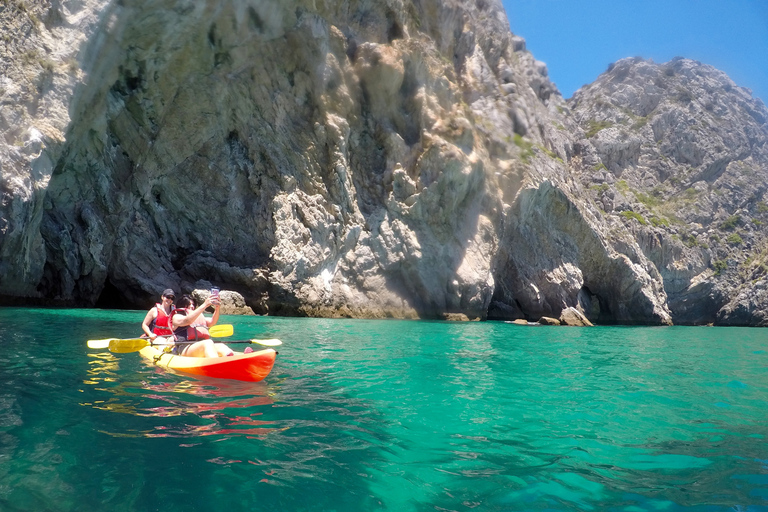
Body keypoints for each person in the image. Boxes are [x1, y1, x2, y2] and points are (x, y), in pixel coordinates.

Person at [169, 294, 234, 357]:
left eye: (193, 304)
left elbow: (212, 322)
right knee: (207, 343)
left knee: (221, 345)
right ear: (182, 305)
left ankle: (232, 360)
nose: (192, 306)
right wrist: (205, 304)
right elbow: (187, 321)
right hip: (185, 348)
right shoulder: (176, 317)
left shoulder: (197, 317)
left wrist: (217, 307)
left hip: (200, 346)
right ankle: (216, 364)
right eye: (188, 304)